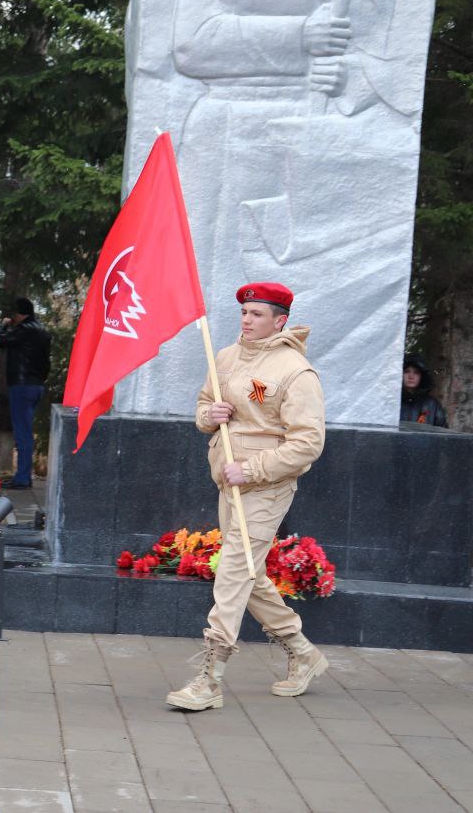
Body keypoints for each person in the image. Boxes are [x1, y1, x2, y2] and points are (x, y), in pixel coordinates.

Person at [167, 282, 328, 712]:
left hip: (266, 487)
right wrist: (209, 415)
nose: (247, 320)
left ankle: (210, 678)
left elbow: (308, 443)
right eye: (244, 312)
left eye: (257, 314)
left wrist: (253, 469)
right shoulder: (227, 356)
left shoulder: (296, 371)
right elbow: (205, 404)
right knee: (249, 575)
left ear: (280, 321)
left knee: (234, 571)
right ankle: (303, 651)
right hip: (228, 481)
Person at [0, 298, 50, 488]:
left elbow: (0, 341)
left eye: (14, 314)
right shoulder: (42, 329)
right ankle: (23, 474)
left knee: (22, 432)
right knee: (25, 430)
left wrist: (3, 326)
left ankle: (23, 477)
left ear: (19, 314)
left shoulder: (25, 329)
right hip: (37, 385)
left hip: (22, 385)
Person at [400, 353, 448, 428]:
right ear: (400, 374)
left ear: (422, 376)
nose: (411, 376)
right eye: (407, 371)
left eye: (416, 372)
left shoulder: (432, 405)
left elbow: (443, 435)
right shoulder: (393, 402)